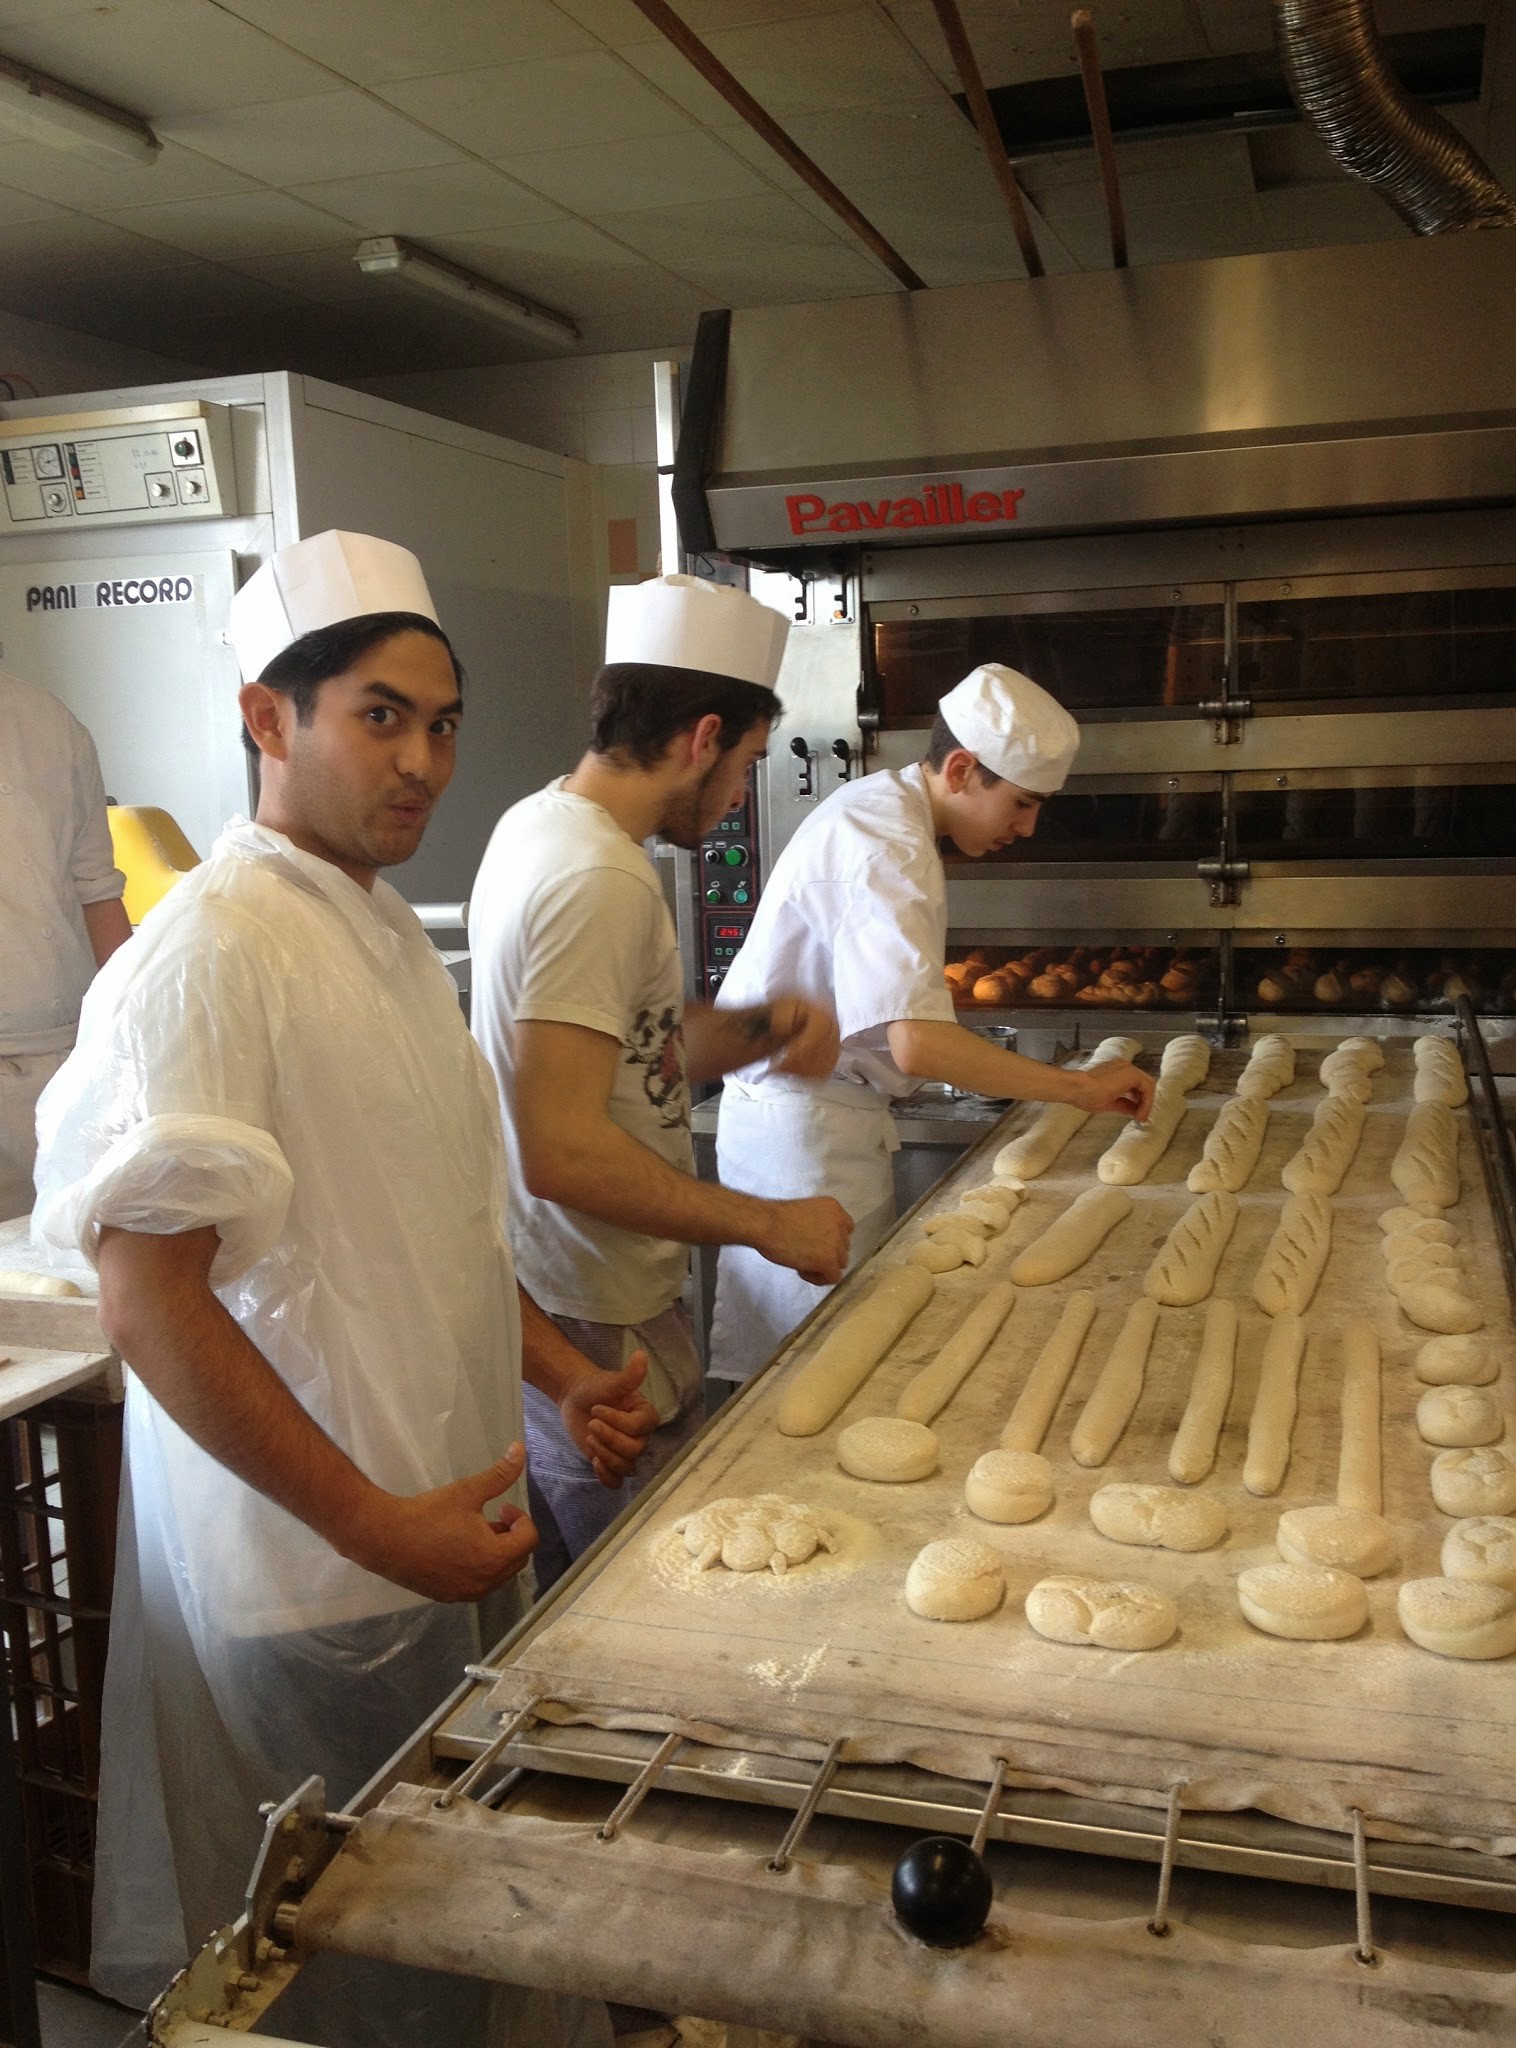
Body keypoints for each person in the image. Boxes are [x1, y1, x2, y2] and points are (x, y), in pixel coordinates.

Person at [32, 531, 648, 2048]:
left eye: (441, 723)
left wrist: (561, 1371)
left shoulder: (375, 934)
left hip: (435, 1538)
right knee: (347, 1992)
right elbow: (148, 1301)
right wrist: (373, 1522)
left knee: (447, 1963)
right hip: (314, 1589)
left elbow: (427, 1233)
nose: (423, 760)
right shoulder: (211, 954)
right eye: (380, 716)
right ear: (268, 716)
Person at [470, 572, 850, 1587]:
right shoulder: (598, 878)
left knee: (584, 1592)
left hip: (575, 1289)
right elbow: (561, 1148)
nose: (740, 797)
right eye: (746, 765)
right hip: (592, 1311)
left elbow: (630, 1050)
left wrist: (765, 1027)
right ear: (702, 736)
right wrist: (768, 1223)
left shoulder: (540, 823)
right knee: (646, 1599)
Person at [708, 661, 1157, 1383]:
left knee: (837, 1361)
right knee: (810, 1375)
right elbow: (916, 1044)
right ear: (960, 769)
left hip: (823, 1120)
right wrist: (1077, 1088)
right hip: (803, 1142)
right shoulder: (888, 844)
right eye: (1020, 804)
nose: (1028, 828)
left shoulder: (883, 807)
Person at [0, 671, 131, 1219]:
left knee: (67, 1246)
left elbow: (95, 888)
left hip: (70, 1058)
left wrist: (133, 1037)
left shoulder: (48, 720)